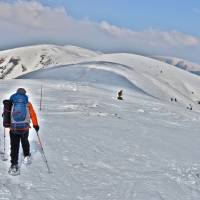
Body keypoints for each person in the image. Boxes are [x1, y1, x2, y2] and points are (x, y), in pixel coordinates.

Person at [8, 88, 39, 175]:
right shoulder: (28, 104)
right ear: (24, 94)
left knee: (14, 146)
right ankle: (26, 156)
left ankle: (14, 164)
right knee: (25, 141)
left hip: (13, 128)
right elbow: (33, 114)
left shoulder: (11, 103)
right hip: (24, 128)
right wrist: (36, 125)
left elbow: (6, 113)